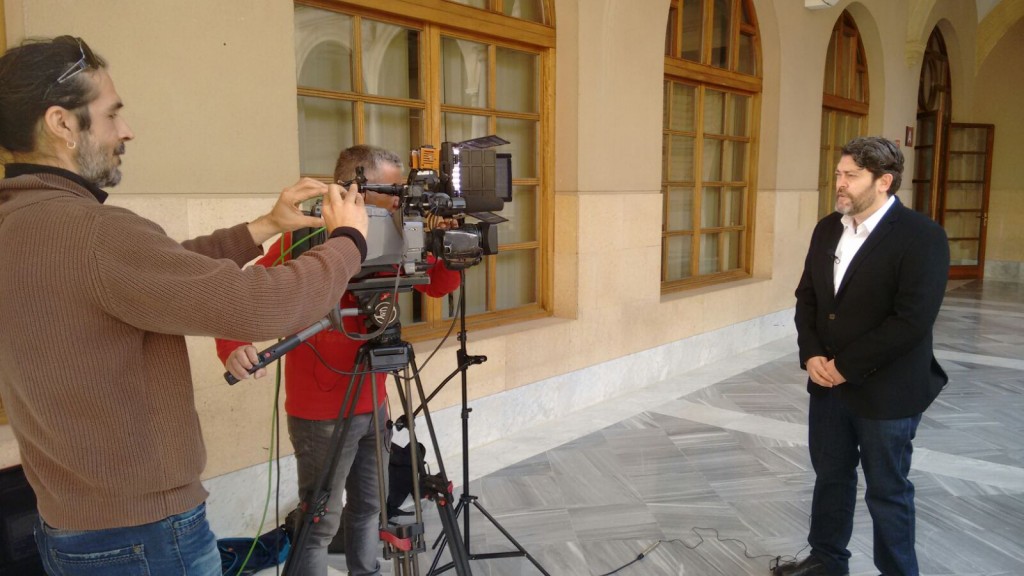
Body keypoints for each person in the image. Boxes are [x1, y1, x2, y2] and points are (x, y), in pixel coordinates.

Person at [0, 36, 370, 576]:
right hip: (143, 536)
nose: (126, 130)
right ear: (62, 123)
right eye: (112, 114)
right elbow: (263, 304)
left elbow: (161, 270)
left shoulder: (21, 221)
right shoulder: (93, 233)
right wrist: (349, 241)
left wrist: (264, 226)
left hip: (70, 525)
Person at [216, 145, 460, 575]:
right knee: (319, 522)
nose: (401, 202)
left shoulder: (399, 233)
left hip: (375, 401)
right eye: (392, 192)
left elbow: (435, 286)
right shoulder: (305, 238)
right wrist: (232, 344)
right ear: (356, 189)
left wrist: (455, 251)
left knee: (370, 508)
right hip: (320, 411)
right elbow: (242, 294)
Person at [774, 137, 950, 576]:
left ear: (884, 181)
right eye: (839, 173)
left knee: (887, 490)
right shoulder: (827, 228)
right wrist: (812, 354)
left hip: (887, 391)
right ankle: (826, 561)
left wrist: (845, 367)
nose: (840, 183)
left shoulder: (922, 236)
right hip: (827, 386)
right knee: (830, 477)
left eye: (851, 176)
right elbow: (808, 298)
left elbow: (911, 321)